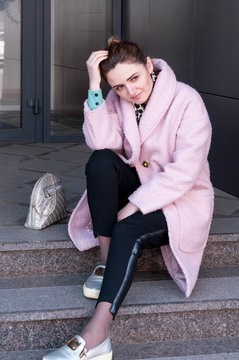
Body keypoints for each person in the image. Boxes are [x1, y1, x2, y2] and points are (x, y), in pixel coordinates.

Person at [43, 37, 214, 360]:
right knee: (101, 162)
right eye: (119, 86)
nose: (129, 91)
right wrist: (95, 85)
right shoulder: (118, 99)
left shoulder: (186, 100)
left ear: (149, 65)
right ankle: (108, 263)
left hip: (181, 200)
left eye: (134, 78)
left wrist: (134, 204)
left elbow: (186, 171)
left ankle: (96, 335)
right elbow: (101, 141)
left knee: (127, 229)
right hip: (140, 184)